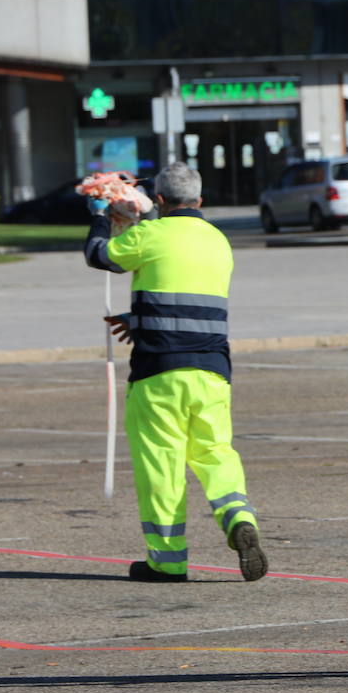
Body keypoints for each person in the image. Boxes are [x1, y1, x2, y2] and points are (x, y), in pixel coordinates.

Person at [84, 162, 267, 584]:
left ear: (160, 200)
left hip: (159, 374)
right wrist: (142, 317)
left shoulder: (150, 235)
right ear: (200, 201)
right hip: (212, 372)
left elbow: (99, 255)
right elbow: (189, 295)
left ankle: (167, 560)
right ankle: (239, 515)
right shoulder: (219, 242)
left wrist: (99, 214)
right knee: (216, 452)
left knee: (161, 465)